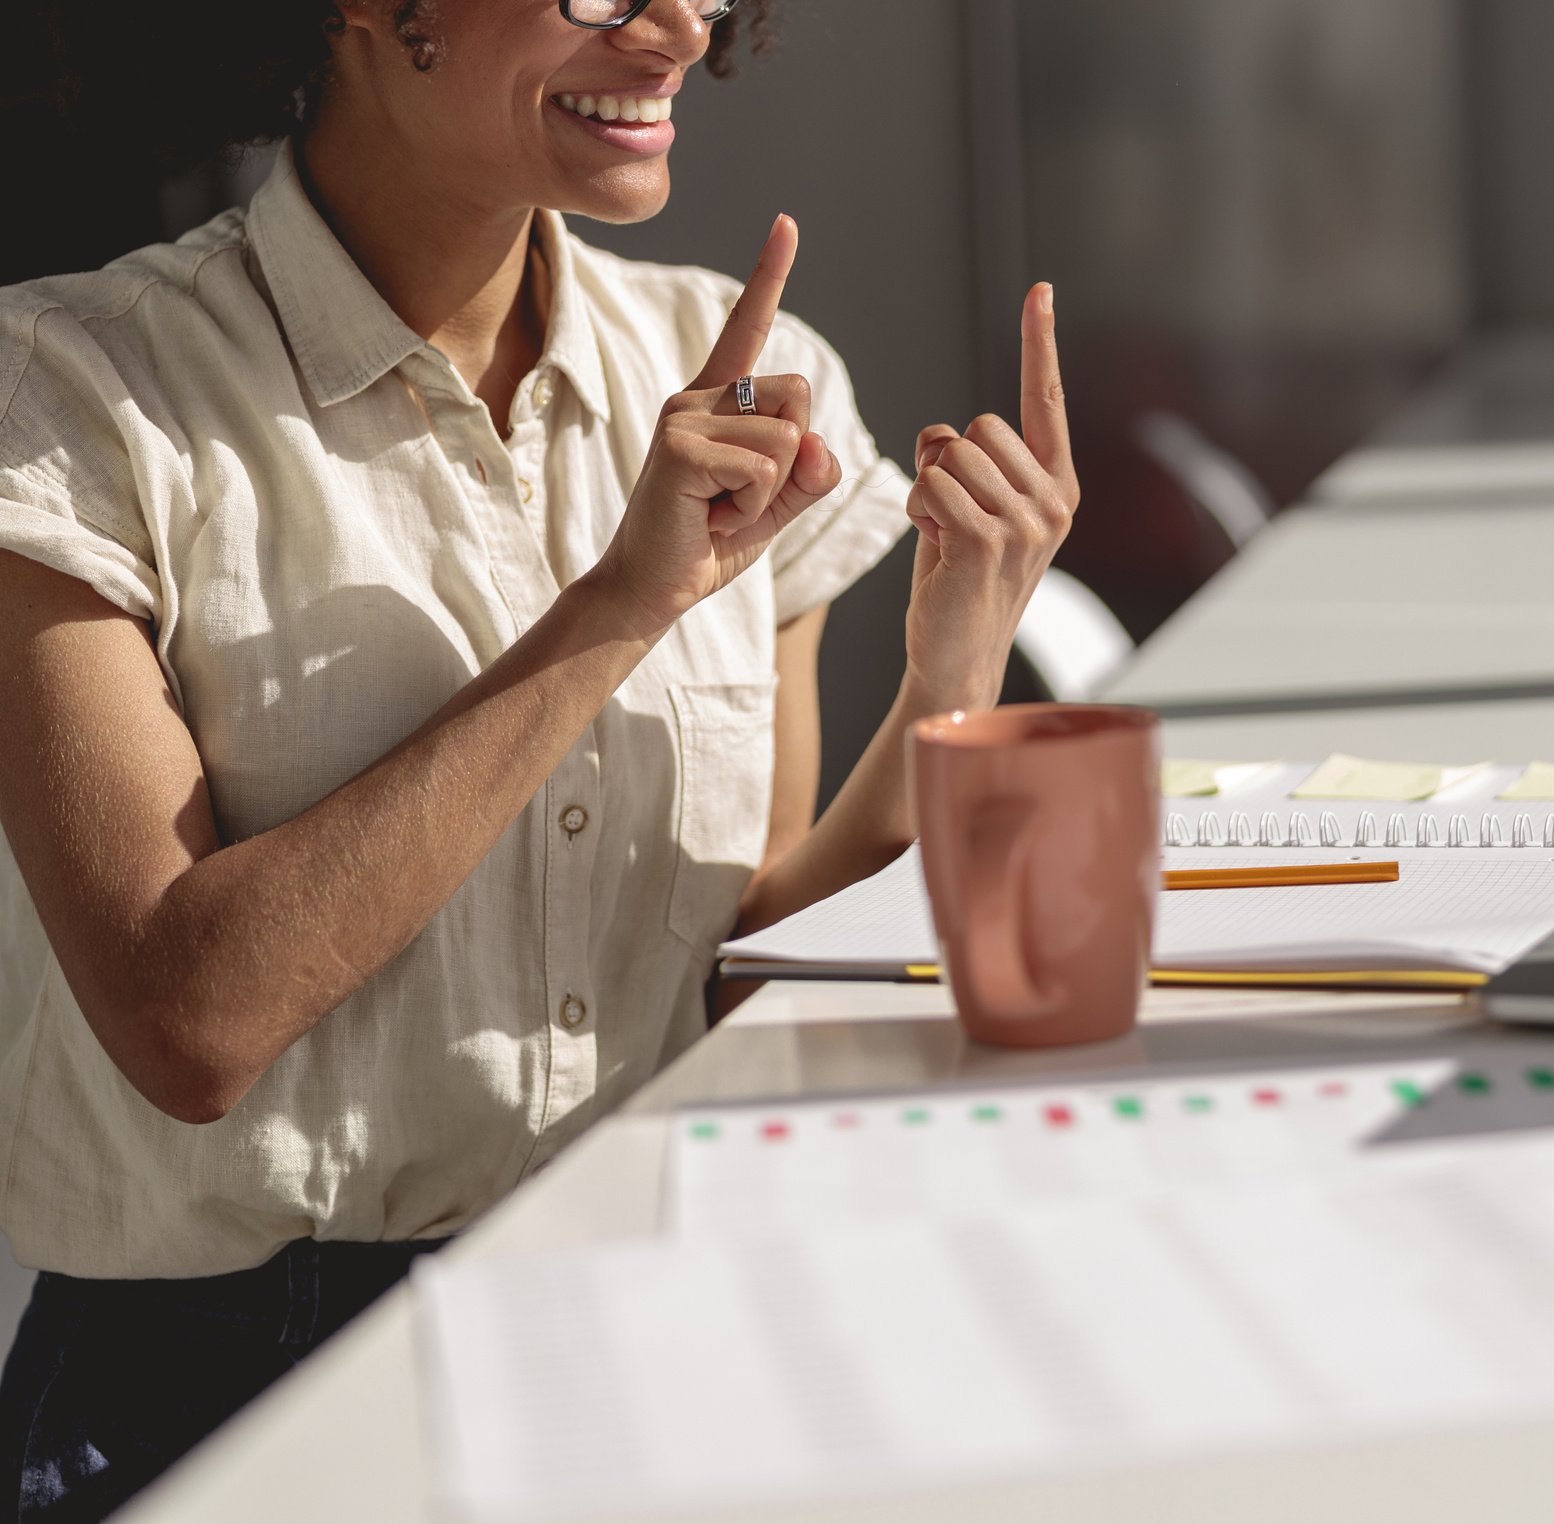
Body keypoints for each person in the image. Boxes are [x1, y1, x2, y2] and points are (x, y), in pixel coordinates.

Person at [0, 0, 1080, 1516]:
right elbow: (189, 1021)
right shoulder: (68, 396)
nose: (672, 36)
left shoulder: (749, 374)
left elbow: (743, 975)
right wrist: (616, 608)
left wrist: (948, 682)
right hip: (225, 1392)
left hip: (665, 1321)